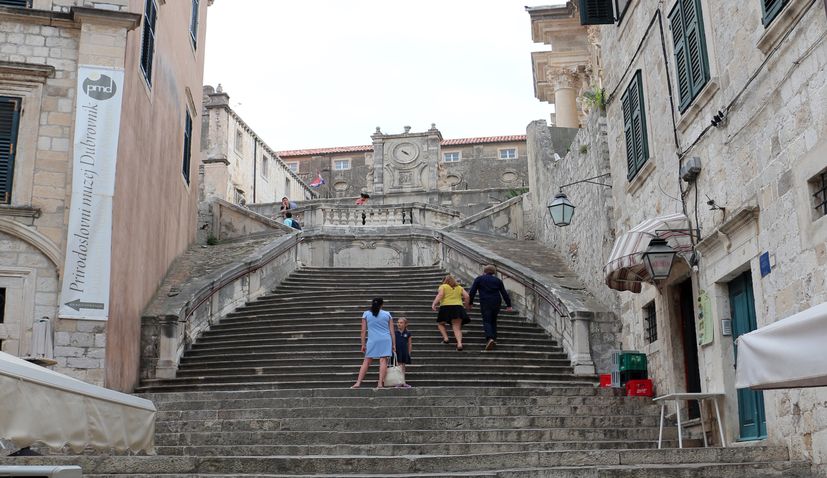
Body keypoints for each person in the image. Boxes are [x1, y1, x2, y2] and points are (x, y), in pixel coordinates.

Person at [352, 298, 395, 389]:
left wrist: (363, 344)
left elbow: (363, 331)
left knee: (366, 361)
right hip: (385, 340)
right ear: (382, 305)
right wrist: (394, 344)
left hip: (372, 340)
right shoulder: (387, 314)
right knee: (383, 361)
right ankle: (380, 383)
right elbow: (392, 332)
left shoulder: (366, 314)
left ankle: (358, 383)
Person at [468, 265, 512, 352]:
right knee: (493, 320)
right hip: (496, 302)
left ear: (484, 271)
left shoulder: (479, 279)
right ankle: (494, 339)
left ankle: (490, 338)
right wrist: (509, 305)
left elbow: (472, 291)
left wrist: (470, 303)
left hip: (485, 301)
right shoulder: (498, 280)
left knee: (487, 320)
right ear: (494, 272)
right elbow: (504, 293)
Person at [431, 274, 470, 351]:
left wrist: (434, 303)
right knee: (457, 328)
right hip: (458, 307)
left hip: (446, 307)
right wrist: (466, 305)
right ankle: (459, 344)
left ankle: (446, 338)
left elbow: (440, 295)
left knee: (441, 324)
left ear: (444, 281)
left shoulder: (443, 286)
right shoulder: (459, 287)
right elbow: (467, 296)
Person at [394, 317, 413, 388]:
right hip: (397, 351)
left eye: (401, 323)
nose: (399, 324)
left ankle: (403, 382)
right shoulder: (395, 333)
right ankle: (399, 382)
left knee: (403, 367)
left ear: (405, 324)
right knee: (399, 366)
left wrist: (409, 352)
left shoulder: (408, 333)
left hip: (404, 352)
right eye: (398, 322)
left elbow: (410, 344)